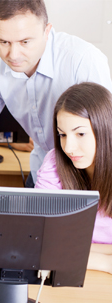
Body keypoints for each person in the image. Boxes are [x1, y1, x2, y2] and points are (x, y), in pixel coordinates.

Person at [0, 0, 112, 187]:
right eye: (3, 42)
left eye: (25, 41)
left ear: (46, 31)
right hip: (43, 172)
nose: (13, 55)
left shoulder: (83, 60)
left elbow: (105, 134)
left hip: (89, 178)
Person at [35, 82, 112, 275]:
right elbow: (39, 241)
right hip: (70, 275)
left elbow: (54, 248)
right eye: (62, 135)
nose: (68, 147)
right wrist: (105, 262)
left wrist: (68, 250)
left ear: (105, 128)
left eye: (80, 134)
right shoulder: (54, 162)